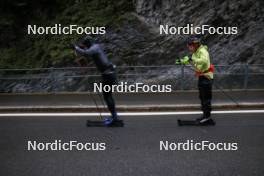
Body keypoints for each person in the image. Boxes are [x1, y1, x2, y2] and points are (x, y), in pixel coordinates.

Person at [74, 36, 121, 126]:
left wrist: (76, 48)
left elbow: (86, 53)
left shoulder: (94, 48)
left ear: (88, 43)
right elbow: (87, 51)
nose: (86, 47)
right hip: (108, 73)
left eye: (86, 45)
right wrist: (80, 48)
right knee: (108, 95)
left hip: (108, 75)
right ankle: (114, 116)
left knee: (107, 96)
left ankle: (114, 118)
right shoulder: (96, 46)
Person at [176, 36, 215, 125]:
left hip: (207, 77)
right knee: (202, 97)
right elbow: (195, 63)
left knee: (206, 98)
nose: (189, 48)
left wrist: (190, 59)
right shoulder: (195, 53)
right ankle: (205, 115)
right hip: (202, 77)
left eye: (190, 46)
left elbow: (204, 61)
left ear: (195, 45)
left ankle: (207, 117)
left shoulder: (202, 51)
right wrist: (182, 61)